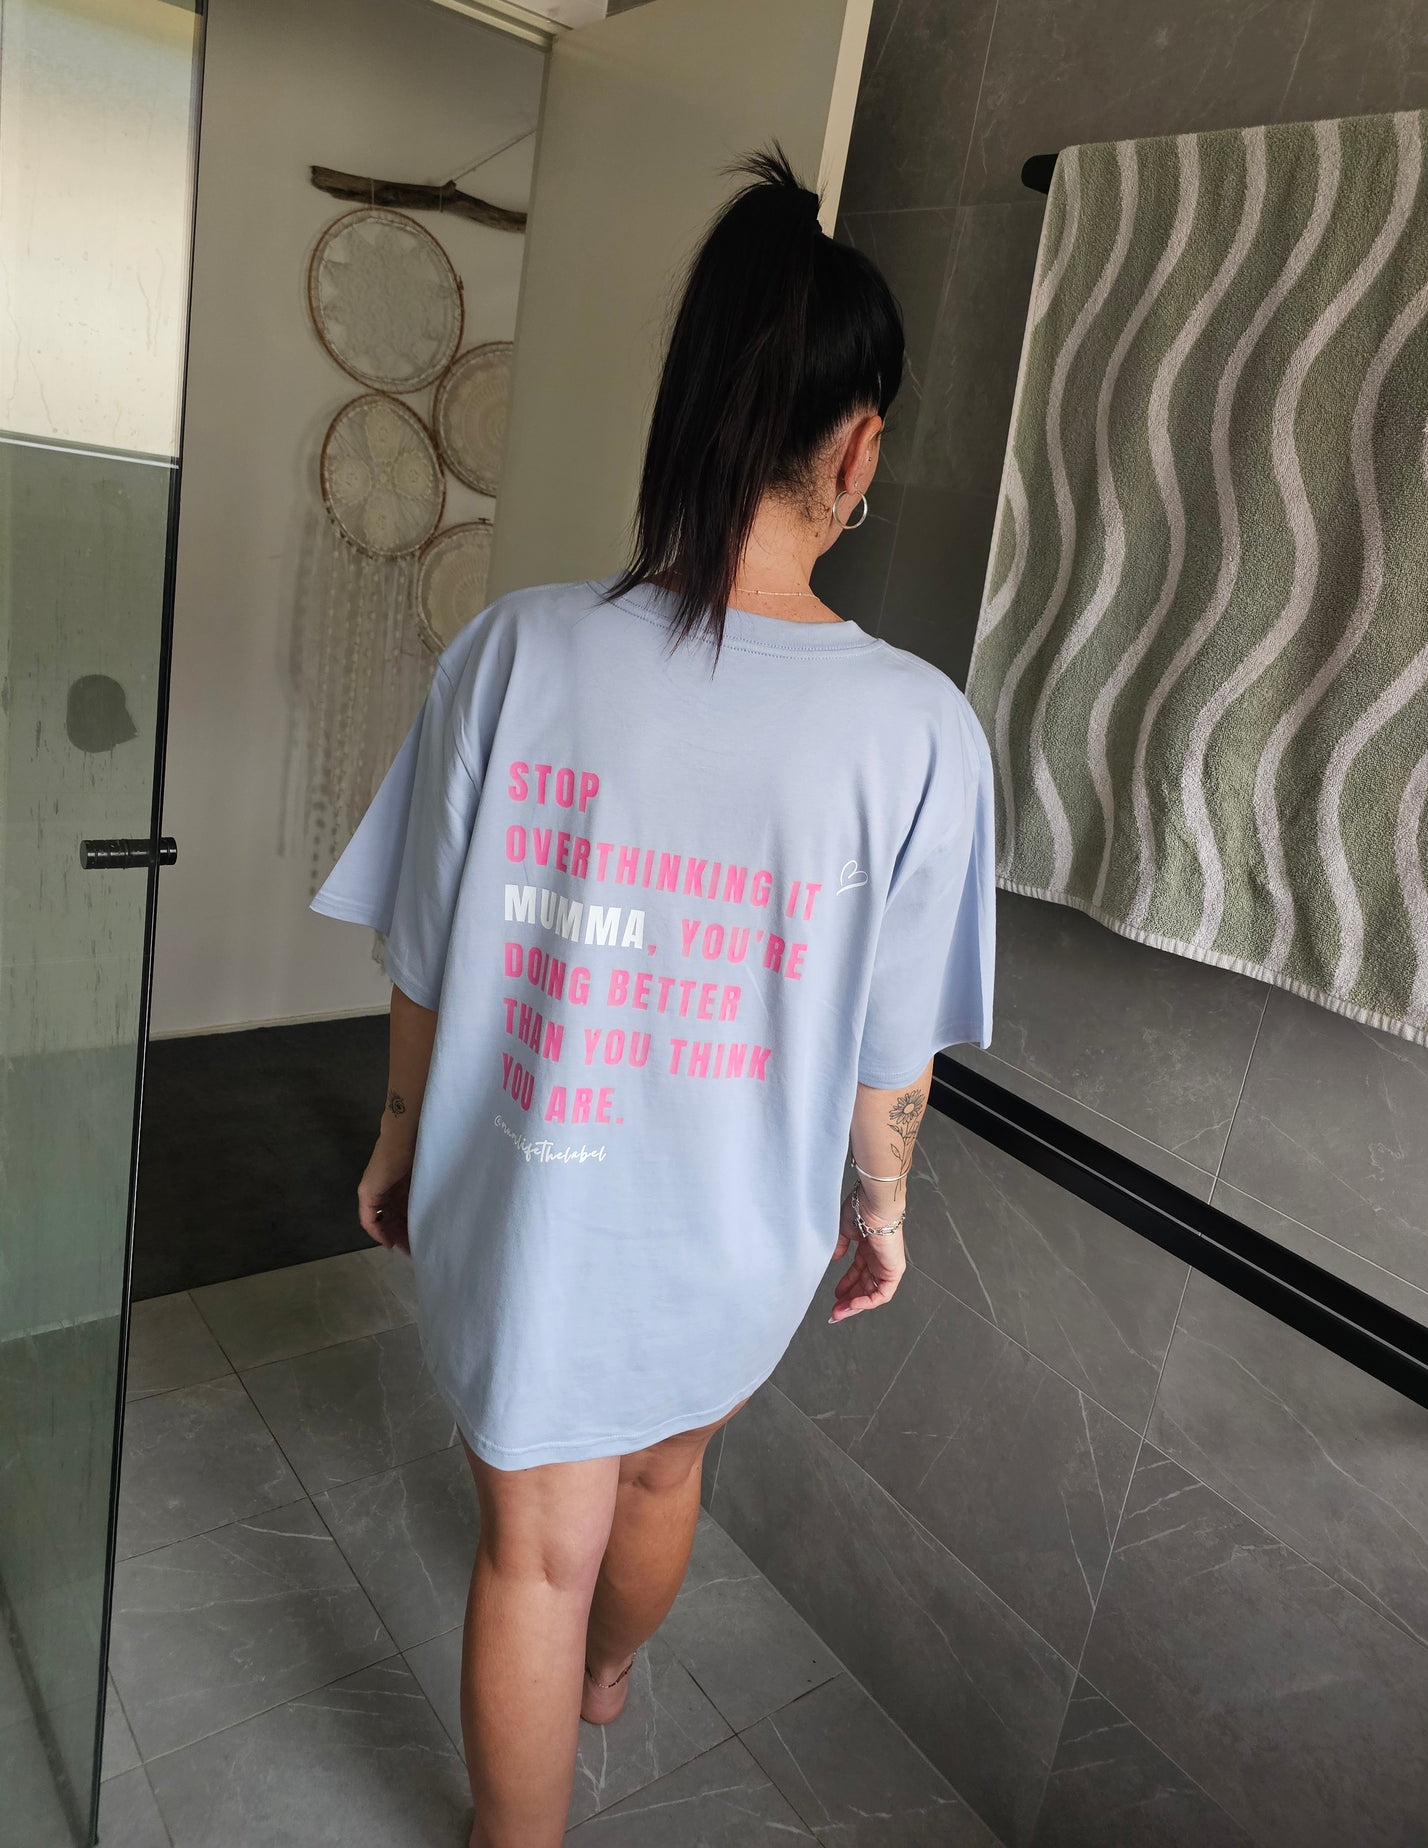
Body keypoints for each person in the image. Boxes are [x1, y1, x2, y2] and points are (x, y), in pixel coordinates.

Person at [309, 146, 996, 1848]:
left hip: (528, 1210)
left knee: (533, 1552)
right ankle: (610, 1683)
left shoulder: (515, 652)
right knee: (667, 1469)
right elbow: (887, 1049)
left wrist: (397, 1133)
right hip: (737, 1233)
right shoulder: (921, 733)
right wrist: (883, 1204)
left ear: (688, 408)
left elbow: (424, 955)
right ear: (857, 448)